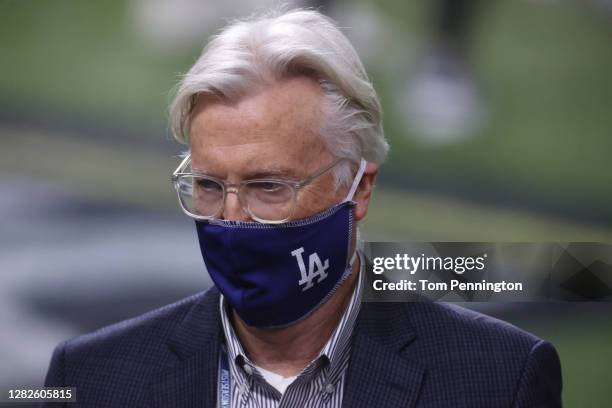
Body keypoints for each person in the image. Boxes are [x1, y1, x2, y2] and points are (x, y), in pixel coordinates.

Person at [43, 9, 562, 407]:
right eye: (206, 185)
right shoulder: (87, 379)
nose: (231, 219)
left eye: (267, 186)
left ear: (357, 190)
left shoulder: (501, 378)